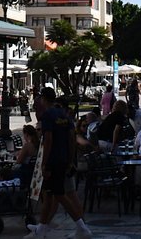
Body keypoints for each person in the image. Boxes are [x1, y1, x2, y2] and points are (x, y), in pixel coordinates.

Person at [26, 87, 92, 239]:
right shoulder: (64, 114)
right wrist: (69, 159)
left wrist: (44, 162)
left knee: (59, 195)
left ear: (43, 99)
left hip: (53, 160)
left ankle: (82, 227)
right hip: (63, 159)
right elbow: (71, 138)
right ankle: (41, 228)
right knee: (49, 195)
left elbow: (48, 139)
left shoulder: (48, 115)